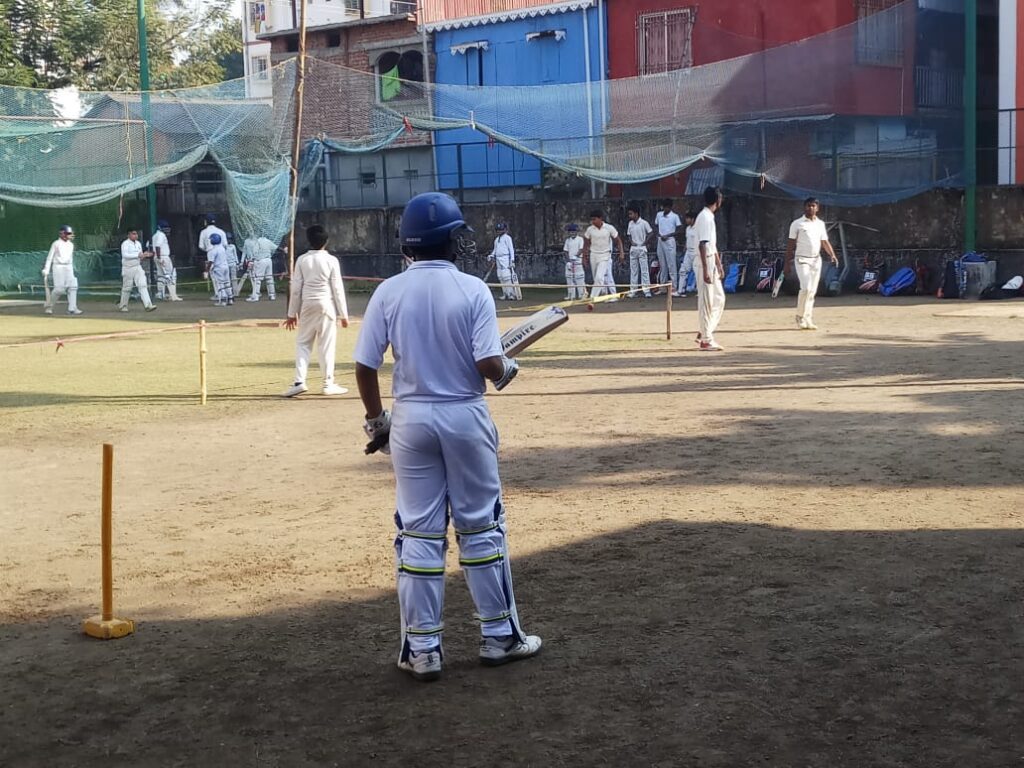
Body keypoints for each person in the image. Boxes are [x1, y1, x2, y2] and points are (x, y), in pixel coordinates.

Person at [353, 192, 541, 683]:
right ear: (452, 241)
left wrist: (378, 423)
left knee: (418, 531)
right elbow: (486, 363)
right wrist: (507, 368)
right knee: (481, 527)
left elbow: (365, 365)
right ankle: (499, 637)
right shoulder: (473, 289)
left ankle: (423, 649)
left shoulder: (388, 292)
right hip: (464, 414)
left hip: (411, 418)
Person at [283, 225, 350, 397]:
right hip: (326, 305)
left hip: (307, 305)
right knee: (326, 345)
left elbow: (296, 288)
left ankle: (299, 381)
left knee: (303, 343)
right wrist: (344, 314)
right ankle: (328, 383)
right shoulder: (331, 260)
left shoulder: (302, 260)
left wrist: (291, 314)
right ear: (326, 242)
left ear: (309, 240)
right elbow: (337, 288)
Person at [785, 197, 838, 331]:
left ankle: (808, 317)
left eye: (813, 206)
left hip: (816, 260)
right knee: (806, 288)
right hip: (801, 260)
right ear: (804, 207)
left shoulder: (820, 224)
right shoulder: (797, 224)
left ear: (817, 208)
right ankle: (800, 316)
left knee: (812, 291)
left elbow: (824, 241)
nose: (811, 208)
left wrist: (832, 255)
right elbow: (790, 245)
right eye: (808, 206)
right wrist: (786, 263)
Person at [694, 187, 726, 352]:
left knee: (719, 299)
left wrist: (718, 264)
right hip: (704, 263)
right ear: (718, 201)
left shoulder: (708, 217)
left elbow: (711, 245)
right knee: (706, 302)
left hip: (711, 262)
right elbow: (702, 245)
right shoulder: (705, 217)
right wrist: (706, 270)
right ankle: (706, 340)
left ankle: (705, 329)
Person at [582, 209, 625, 302]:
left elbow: (618, 240)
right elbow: (586, 243)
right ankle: (603, 295)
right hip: (593, 255)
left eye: (594, 219)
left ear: (600, 218)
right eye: (591, 220)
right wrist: (584, 257)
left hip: (605, 256)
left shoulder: (609, 228)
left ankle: (592, 299)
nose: (593, 222)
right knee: (596, 278)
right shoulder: (590, 229)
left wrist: (621, 253)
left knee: (599, 278)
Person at [41, 225, 83, 315]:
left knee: (73, 286)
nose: (70, 235)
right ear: (62, 234)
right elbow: (50, 257)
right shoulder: (56, 244)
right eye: (68, 233)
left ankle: (72, 308)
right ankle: (49, 306)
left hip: (68, 267)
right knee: (59, 289)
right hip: (58, 267)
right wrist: (46, 269)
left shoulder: (71, 245)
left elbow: (70, 258)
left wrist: (72, 267)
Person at [118, 229, 157, 313]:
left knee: (142, 285)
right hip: (128, 268)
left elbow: (140, 256)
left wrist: (145, 255)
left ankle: (148, 305)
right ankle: (123, 305)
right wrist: (138, 255)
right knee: (127, 288)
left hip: (137, 267)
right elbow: (125, 255)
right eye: (133, 234)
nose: (136, 235)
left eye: (136, 234)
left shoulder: (138, 243)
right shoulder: (125, 244)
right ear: (128, 235)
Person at [654, 198, 682, 296]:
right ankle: (662, 287)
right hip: (660, 241)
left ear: (670, 207)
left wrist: (668, 235)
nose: (665, 209)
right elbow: (656, 226)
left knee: (671, 265)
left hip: (670, 241)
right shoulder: (659, 215)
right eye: (664, 207)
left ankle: (674, 287)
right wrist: (659, 234)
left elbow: (679, 230)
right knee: (662, 265)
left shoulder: (675, 217)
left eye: (666, 207)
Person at [625, 204, 654, 298]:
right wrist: (631, 242)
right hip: (633, 249)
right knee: (633, 271)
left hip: (642, 249)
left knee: (644, 270)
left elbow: (651, 233)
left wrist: (645, 242)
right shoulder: (630, 223)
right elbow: (628, 234)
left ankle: (646, 290)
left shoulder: (644, 223)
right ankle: (633, 291)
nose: (630, 216)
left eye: (631, 214)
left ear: (636, 214)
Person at [197, 214, 227, 300]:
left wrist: (209, 250)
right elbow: (225, 245)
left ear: (206, 222)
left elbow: (201, 246)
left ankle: (219, 294)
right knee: (225, 275)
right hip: (222, 254)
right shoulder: (221, 231)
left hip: (211, 253)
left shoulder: (203, 232)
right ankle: (227, 294)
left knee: (215, 275)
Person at [152, 220, 183, 302]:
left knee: (161, 276)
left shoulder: (155, 235)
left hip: (157, 257)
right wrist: (159, 258)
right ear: (160, 227)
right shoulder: (161, 235)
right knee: (171, 275)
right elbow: (158, 246)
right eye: (164, 228)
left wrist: (157, 257)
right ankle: (173, 296)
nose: (166, 230)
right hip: (163, 257)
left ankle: (160, 294)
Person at [487, 222, 519, 300]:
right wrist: (491, 255)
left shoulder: (507, 238)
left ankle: (511, 294)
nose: (499, 231)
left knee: (507, 276)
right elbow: (495, 250)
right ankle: (505, 294)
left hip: (505, 259)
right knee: (500, 276)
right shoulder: (496, 240)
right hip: (498, 259)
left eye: (501, 230)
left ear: (504, 230)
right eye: (498, 230)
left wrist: (512, 260)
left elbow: (511, 250)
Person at [243, 235, 278, 302]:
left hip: (260, 260)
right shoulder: (268, 241)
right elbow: (275, 247)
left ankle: (255, 296)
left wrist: (252, 260)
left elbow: (255, 252)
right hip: (268, 260)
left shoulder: (258, 241)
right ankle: (272, 295)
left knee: (257, 279)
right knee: (269, 278)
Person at [204, 233, 234, 307]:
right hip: (225, 267)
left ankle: (223, 300)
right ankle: (230, 298)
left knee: (220, 284)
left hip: (218, 268)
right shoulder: (222, 248)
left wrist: (206, 271)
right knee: (227, 282)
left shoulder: (212, 250)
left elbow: (211, 262)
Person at [676, 210, 698, 298]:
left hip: (696, 253)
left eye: (688, 218)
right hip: (688, 252)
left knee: (698, 273)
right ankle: (681, 291)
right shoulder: (687, 228)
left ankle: (701, 292)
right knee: (683, 271)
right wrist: (685, 248)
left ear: (693, 219)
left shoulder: (698, 229)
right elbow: (687, 239)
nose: (686, 220)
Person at [562, 223, 587, 300]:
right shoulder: (567, 240)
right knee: (569, 278)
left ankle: (582, 295)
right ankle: (571, 295)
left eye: (573, 231)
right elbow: (565, 251)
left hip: (578, 262)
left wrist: (576, 256)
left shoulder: (580, 239)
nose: (572, 233)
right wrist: (568, 261)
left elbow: (581, 249)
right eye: (570, 232)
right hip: (570, 263)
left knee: (579, 278)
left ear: (577, 232)